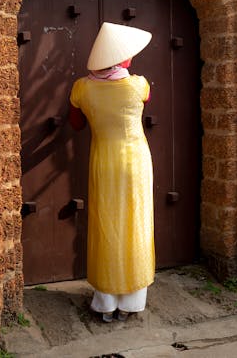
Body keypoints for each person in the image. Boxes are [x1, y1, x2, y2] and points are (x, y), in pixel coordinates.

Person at [68, 21, 154, 323]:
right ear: (122, 58)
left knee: (106, 224)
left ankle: (104, 303)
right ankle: (132, 302)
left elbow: (76, 124)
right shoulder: (138, 85)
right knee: (136, 222)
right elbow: (144, 100)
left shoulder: (82, 88)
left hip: (103, 159)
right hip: (136, 162)